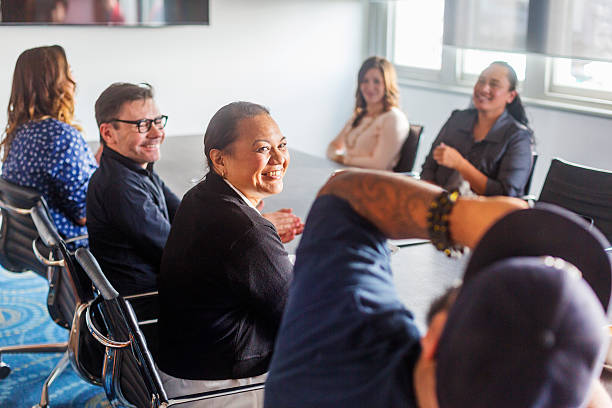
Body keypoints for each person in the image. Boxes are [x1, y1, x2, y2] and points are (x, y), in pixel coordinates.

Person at [264, 168, 612, 407]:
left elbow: (343, 195)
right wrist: (569, 361)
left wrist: (457, 215)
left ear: (436, 337)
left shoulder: (325, 357)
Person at [157, 102, 303, 407]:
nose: (279, 158)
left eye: (282, 145)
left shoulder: (200, 196)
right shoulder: (246, 231)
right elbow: (301, 317)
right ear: (220, 159)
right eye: (263, 149)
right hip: (216, 387)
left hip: (180, 367)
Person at [1, 45, 97, 248]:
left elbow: (63, 179)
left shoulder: (20, 133)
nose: (74, 81)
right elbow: (84, 214)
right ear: (55, 83)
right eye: (69, 72)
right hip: (75, 248)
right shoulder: (61, 136)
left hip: (37, 247)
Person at [420, 61, 534, 197]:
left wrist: (460, 164)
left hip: (481, 213)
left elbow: (506, 194)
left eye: (494, 84)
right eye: (481, 81)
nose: (484, 88)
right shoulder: (457, 118)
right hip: (438, 205)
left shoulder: (518, 137)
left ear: (511, 96)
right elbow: (428, 168)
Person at [327, 56, 409, 170]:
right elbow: (332, 148)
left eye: (376, 81)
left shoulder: (393, 118)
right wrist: (339, 157)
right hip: (349, 177)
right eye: (365, 81)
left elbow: (379, 164)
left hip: (373, 183)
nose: (370, 87)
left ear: (387, 85)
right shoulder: (359, 115)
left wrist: (343, 159)